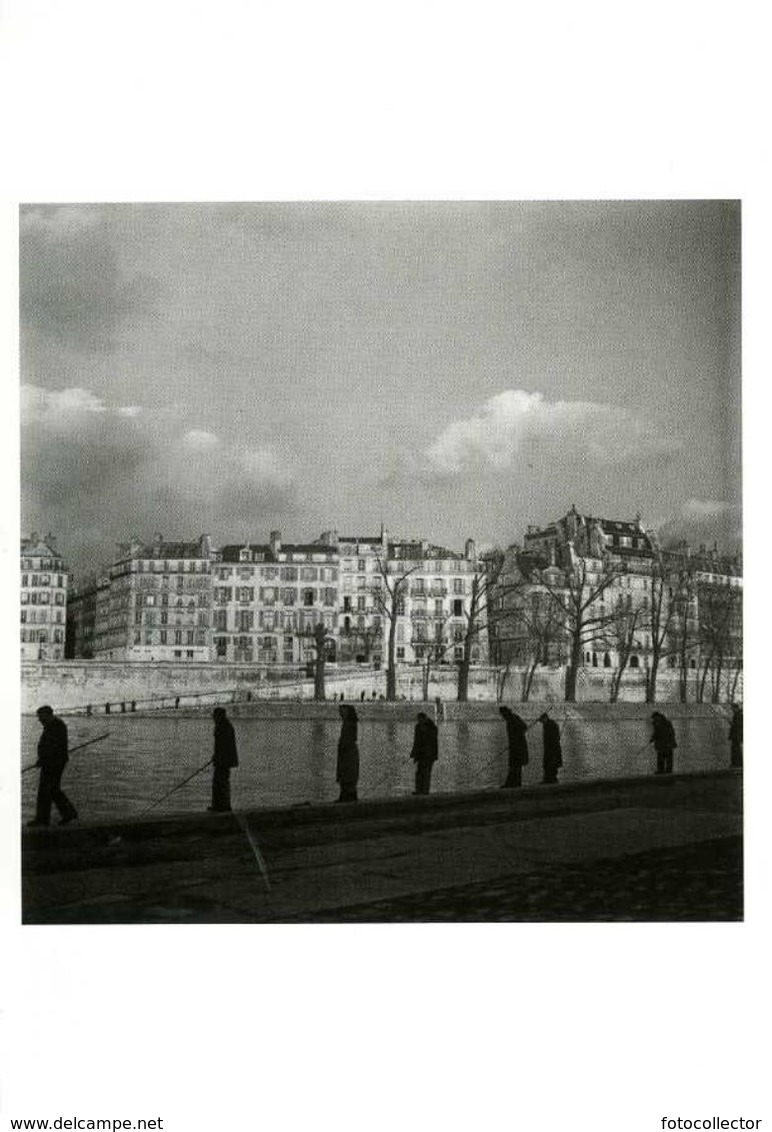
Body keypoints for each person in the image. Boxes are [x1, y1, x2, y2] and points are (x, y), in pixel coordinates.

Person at [28, 705, 78, 827]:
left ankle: (43, 820)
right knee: (53, 789)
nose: (39, 719)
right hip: (51, 762)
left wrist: (43, 759)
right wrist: (41, 759)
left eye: (40, 717)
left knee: (45, 790)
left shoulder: (56, 726)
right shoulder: (52, 724)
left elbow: (53, 747)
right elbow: (48, 746)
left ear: (48, 714)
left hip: (54, 763)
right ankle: (68, 813)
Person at [208, 706, 238, 812]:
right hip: (225, 760)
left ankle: (219, 806)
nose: (213, 718)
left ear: (218, 716)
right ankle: (223, 806)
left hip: (222, 761)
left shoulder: (221, 727)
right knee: (223, 783)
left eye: (214, 716)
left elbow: (221, 745)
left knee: (219, 783)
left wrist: (216, 756)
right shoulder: (227, 726)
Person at [499, 706, 529, 788]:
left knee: (514, 766)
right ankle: (515, 784)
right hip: (515, 746)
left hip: (518, 747)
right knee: (515, 766)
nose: (502, 716)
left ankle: (512, 784)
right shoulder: (512, 718)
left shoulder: (512, 719)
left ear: (505, 713)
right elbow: (523, 728)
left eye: (502, 714)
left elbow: (523, 728)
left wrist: (515, 741)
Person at [411, 711, 439, 795]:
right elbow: (416, 742)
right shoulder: (418, 727)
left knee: (426, 773)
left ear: (424, 719)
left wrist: (423, 751)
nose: (419, 722)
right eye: (418, 720)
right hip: (420, 755)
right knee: (419, 773)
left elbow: (431, 743)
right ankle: (419, 790)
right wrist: (413, 753)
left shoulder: (432, 727)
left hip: (429, 755)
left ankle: (425, 792)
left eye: (420, 720)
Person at [336, 704, 359, 802]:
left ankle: (346, 797)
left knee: (347, 774)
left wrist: (342, 748)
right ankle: (347, 796)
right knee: (346, 775)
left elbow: (348, 739)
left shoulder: (349, 724)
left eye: (342, 711)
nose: (340, 713)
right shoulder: (349, 723)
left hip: (348, 753)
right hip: (348, 752)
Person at [537, 712, 562, 784]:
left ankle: (550, 781)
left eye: (542, 721)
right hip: (550, 749)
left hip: (552, 750)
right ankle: (549, 780)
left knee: (551, 765)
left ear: (545, 718)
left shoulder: (549, 725)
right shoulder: (549, 724)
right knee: (549, 765)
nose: (541, 723)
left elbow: (553, 739)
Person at [729, 703, 743, 768]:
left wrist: (731, 723)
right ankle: (737, 763)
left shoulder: (739, 715)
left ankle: (736, 764)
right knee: (735, 749)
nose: (732, 710)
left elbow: (737, 725)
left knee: (736, 750)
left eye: (733, 709)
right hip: (736, 735)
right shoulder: (738, 714)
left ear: (736, 708)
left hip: (736, 736)